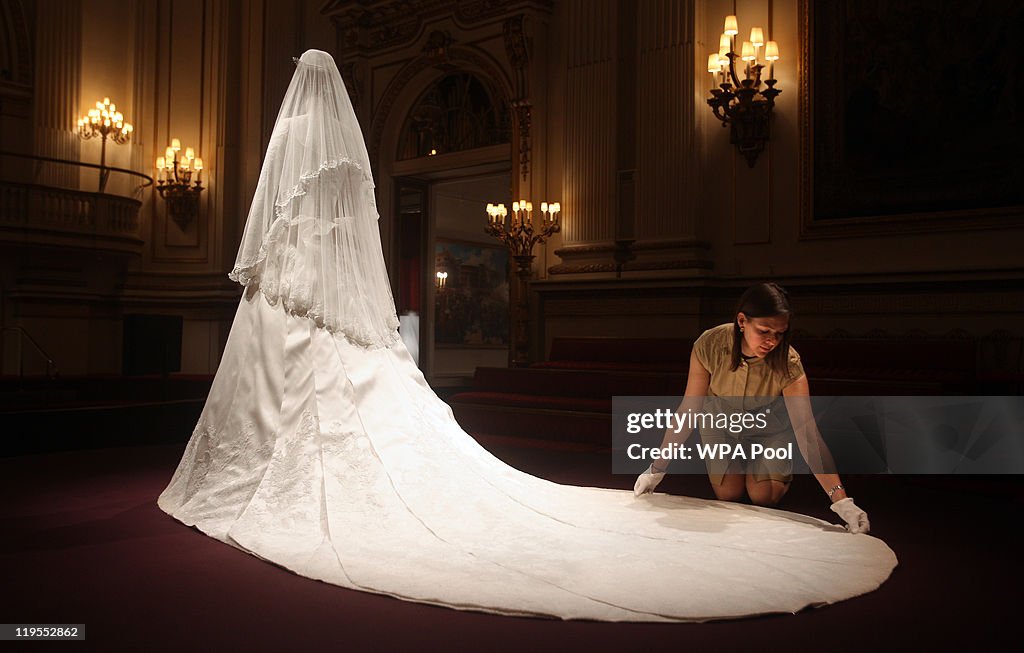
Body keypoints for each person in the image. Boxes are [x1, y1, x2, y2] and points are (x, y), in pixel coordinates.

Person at [158, 50, 894, 622]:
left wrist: (835, 494)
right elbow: (349, 238)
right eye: (764, 329)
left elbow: (289, 233)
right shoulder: (342, 162)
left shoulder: (292, 146)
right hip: (321, 303)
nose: (770, 338)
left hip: (290, 300)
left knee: (757, 485)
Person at [633, 282, 870, 534]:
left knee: (762, 495)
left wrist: (841, 501)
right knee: (728, 493)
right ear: (742, 321)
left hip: (771, 429)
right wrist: (656, 468)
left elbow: (807, 433)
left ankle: (774, 466)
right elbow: (689, 410)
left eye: (779, 334)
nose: (772, 341)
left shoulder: (789, 363)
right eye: (764, 330)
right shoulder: (710, 345)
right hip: (721, 423)